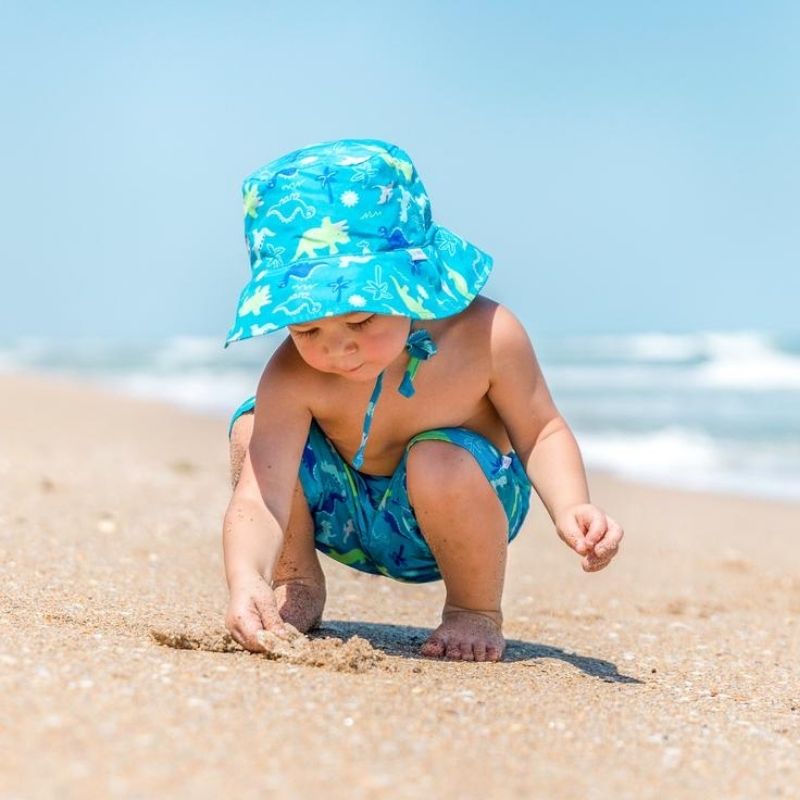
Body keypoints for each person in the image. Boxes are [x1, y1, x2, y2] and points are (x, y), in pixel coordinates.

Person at [222, 138, 624, 662]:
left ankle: (473, 610)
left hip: (460, 507)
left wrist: (573, 505)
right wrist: (244, 576)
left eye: (361, 319)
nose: (336, 347)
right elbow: (260, 497)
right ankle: (295, 581)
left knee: (437, 458)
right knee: (251, 428)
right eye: (306, 326)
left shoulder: (488, 337)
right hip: (346, 516)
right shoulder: (294, 372)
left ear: (410, 280)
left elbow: (541, 429)